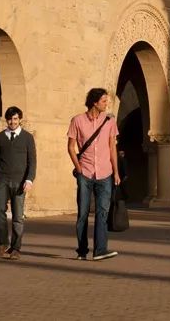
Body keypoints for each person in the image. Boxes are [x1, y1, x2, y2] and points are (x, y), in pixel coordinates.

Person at [67, 87, 120, 261]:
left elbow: (112, 148)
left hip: (105, 173)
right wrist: (78, 167)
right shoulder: (77, 120)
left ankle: (100, 250)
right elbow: (71, 147)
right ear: (94, 103)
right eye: (104, 101)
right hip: (85, 173)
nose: (106, 104)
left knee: (102, 213)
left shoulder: (110, 121)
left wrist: (116, 172)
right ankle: (82, 251)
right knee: (82, 213)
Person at [0, 106, 36, 260]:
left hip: (20, 182)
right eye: (9, 119)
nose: (12, 122)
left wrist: (29, 179)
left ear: (19, 119)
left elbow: (32, 161)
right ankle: (1, 244)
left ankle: (16, 248)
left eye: (15, 119)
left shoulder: (27, 138)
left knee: (18, 216)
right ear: (6, 120)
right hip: (2, 180)